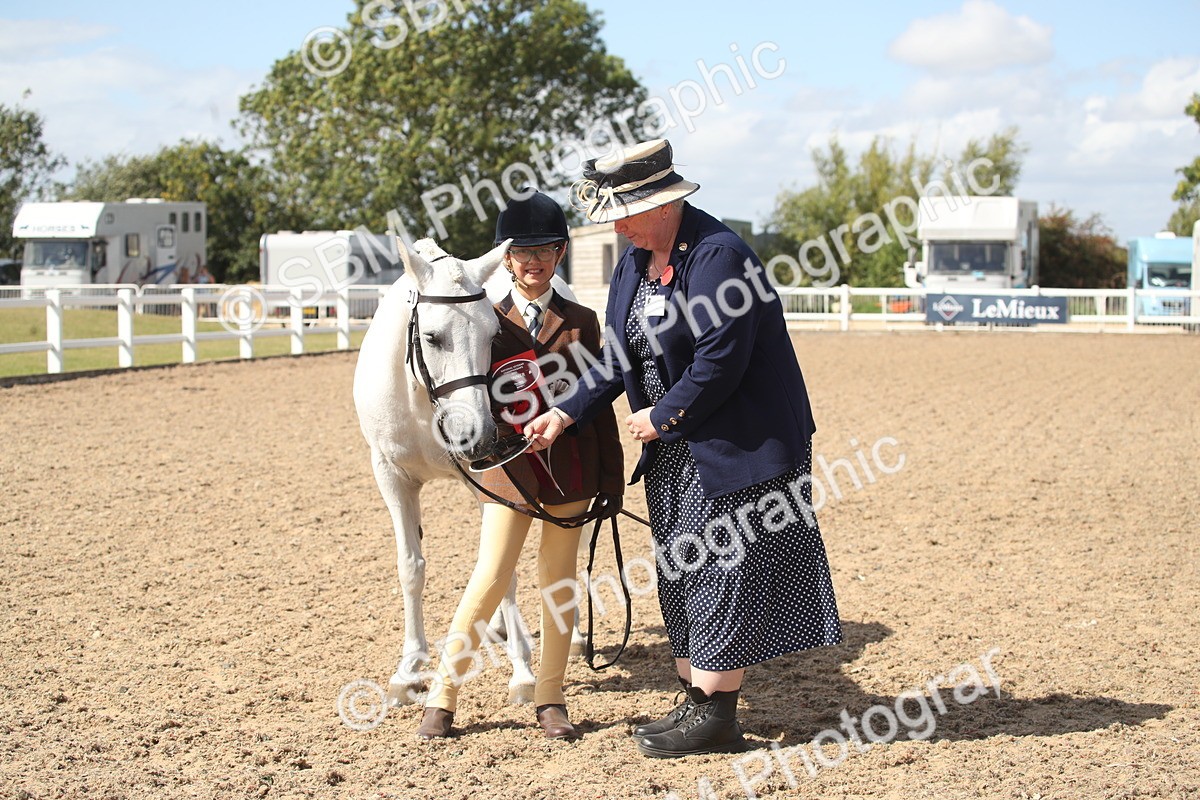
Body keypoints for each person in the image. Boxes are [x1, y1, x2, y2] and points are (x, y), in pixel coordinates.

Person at [524, 139, 842, 758]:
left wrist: (663, 415)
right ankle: (697, 703)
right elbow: (617, 357)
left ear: (661, 204)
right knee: (683, 571)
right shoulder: (633, 260)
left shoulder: (719, 255)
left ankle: (718, 717)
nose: (615, 225)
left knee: (723, 573)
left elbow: (721, 359)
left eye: (623, 211)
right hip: (679, 447)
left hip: (738, 444)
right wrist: (564, 412)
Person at [417, 190, 625, 741]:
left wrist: (610, 482)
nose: (532, 262)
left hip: (572, 471)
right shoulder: (482, 318)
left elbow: (598, 401)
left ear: (560, 255)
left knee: (559, 584)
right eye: (521, 253)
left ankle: (550, 697)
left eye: (544, 251)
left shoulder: (580, 321)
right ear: (505, 259)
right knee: (489, 577)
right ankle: (443, 694)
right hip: (508, 473)